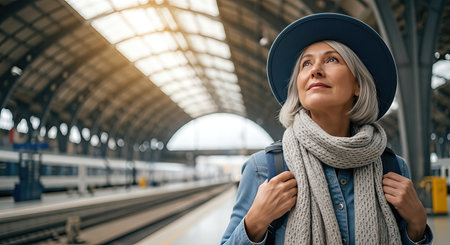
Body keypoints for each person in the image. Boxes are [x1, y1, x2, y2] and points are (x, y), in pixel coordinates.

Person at [221, 13, 433, 245]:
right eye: (306, 63)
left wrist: (417, 225)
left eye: (332, 60)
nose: (316, 70)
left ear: (358, 85)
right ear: (299, 88)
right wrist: (255, 222)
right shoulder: (263, 169)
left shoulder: (392, 168)